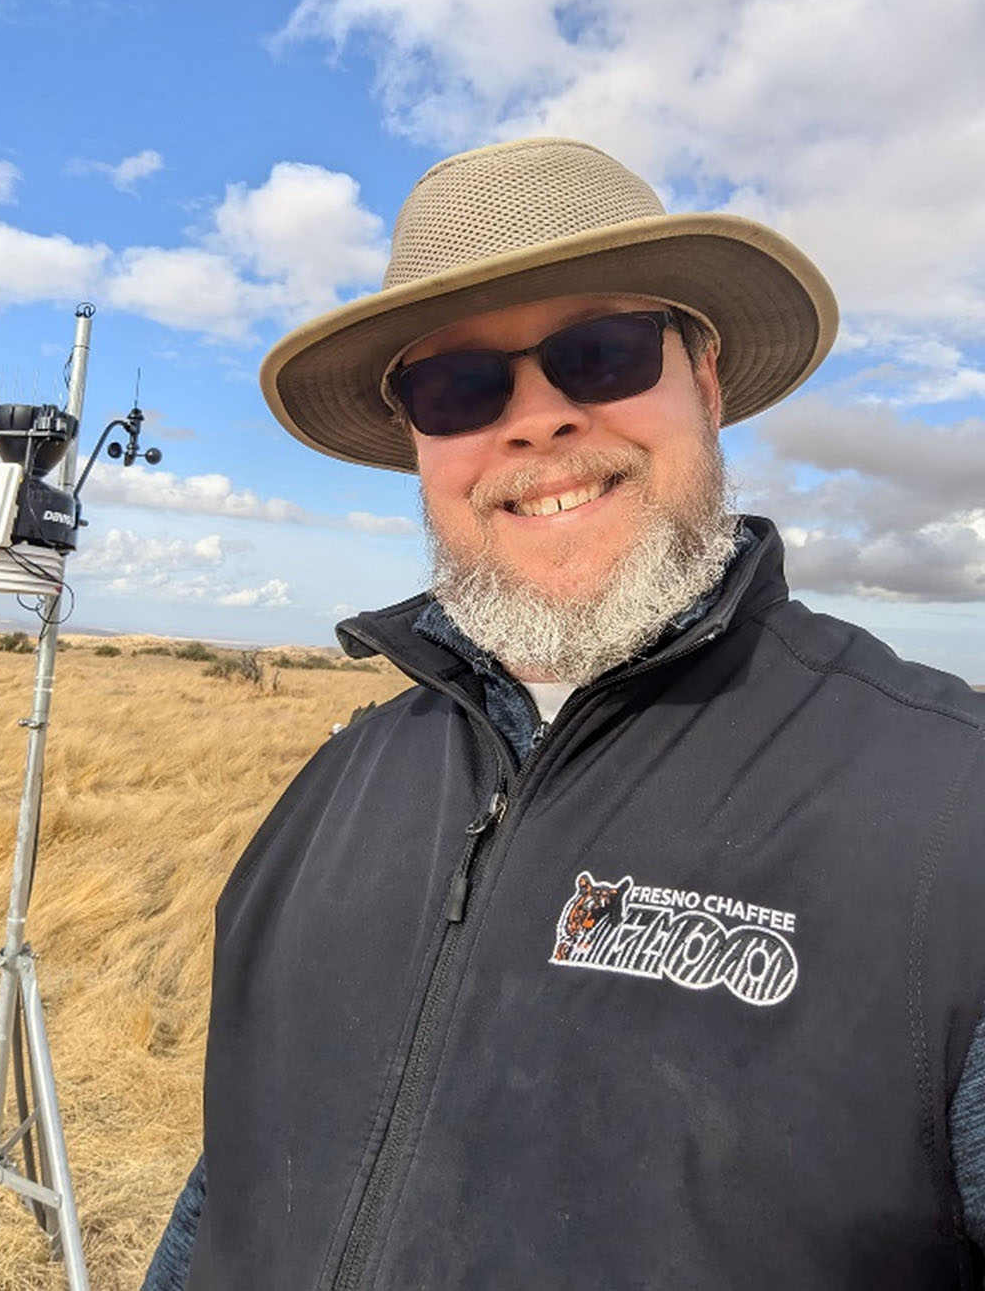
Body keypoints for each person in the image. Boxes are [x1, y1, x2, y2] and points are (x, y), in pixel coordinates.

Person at [144, 138, 985, 1290]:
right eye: (459, 384)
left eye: (600, 352)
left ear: (706, 382)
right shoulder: (334, 787)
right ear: (421, 444)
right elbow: (229, 1190)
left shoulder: (952, 812)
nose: (537, 421)